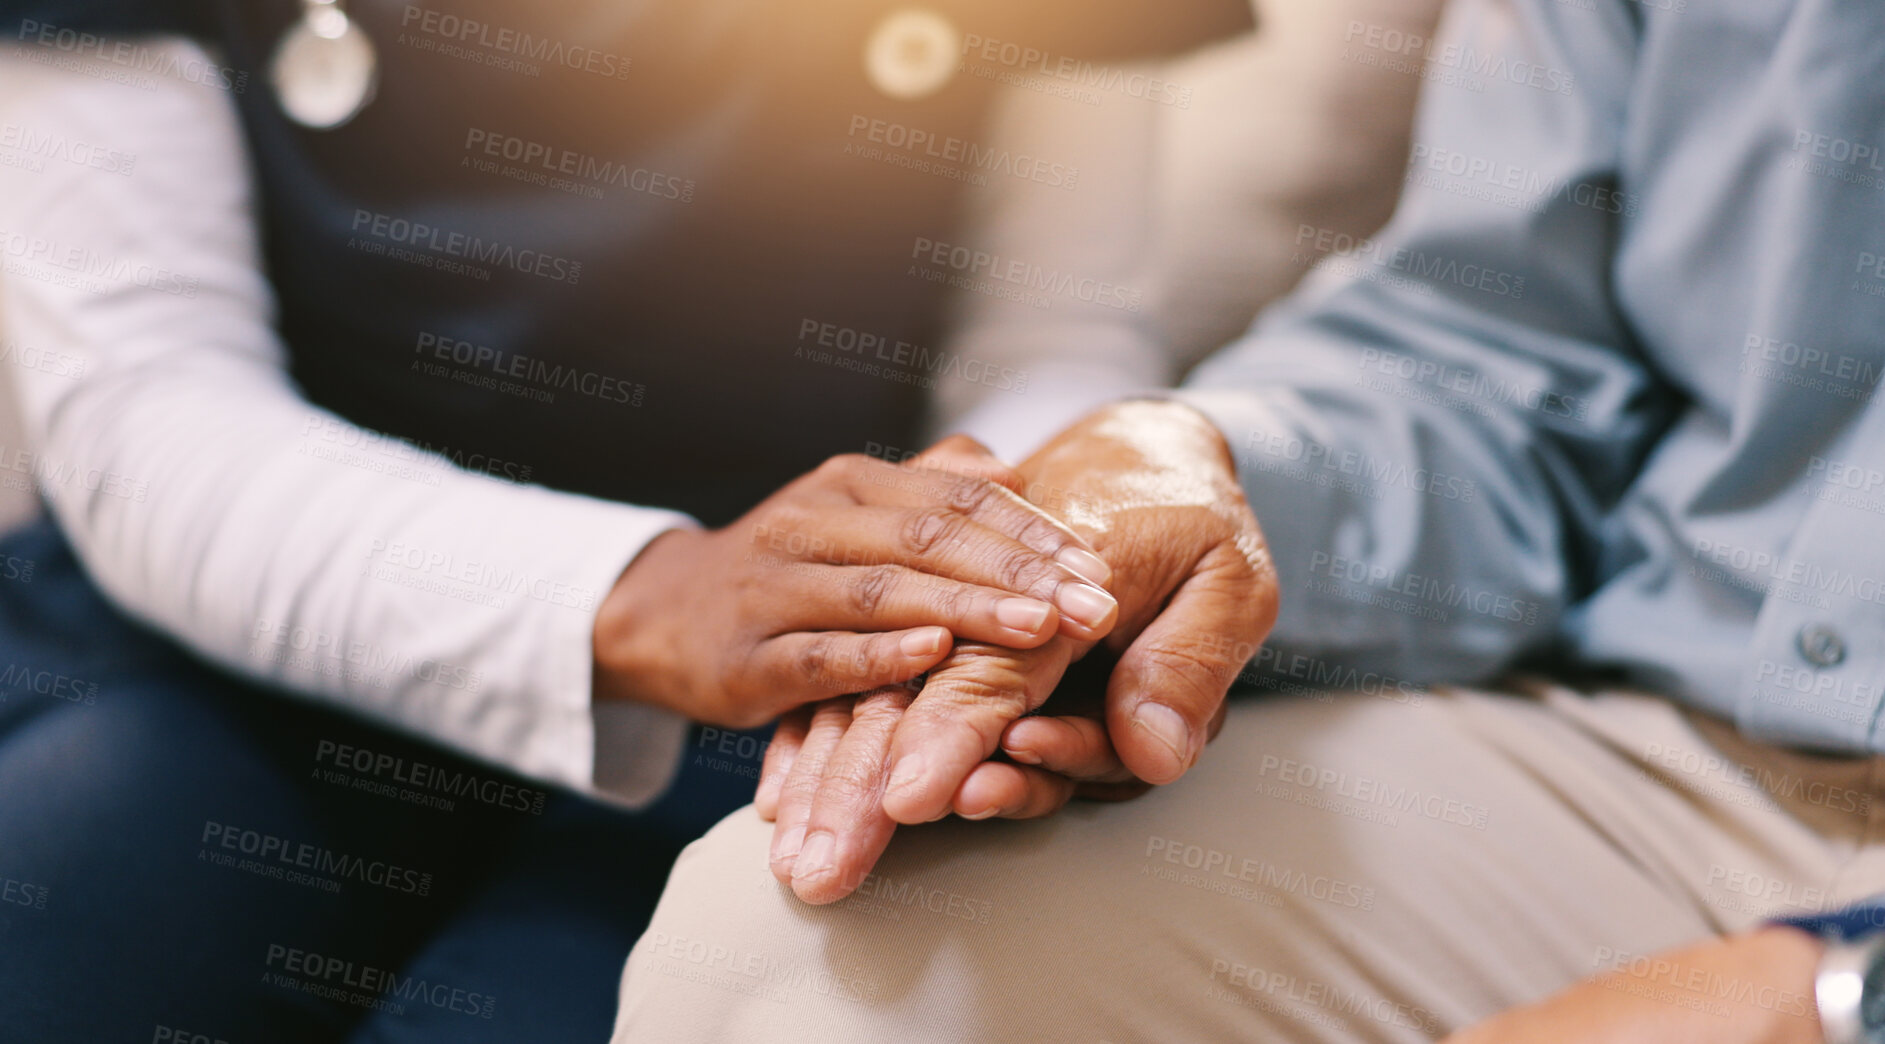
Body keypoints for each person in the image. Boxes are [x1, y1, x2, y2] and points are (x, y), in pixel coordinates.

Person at [616, 0, 1885, 1039]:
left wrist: (1851, 994)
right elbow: (1502, 355)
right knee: (794, 962)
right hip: (1664, 745)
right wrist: (1191, 476)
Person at [0, 1, 1260, 1040]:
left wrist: (996, 586)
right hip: (222, 643)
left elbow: (1052, 335)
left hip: (784, 698)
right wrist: (647, 599)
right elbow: (151, 417)